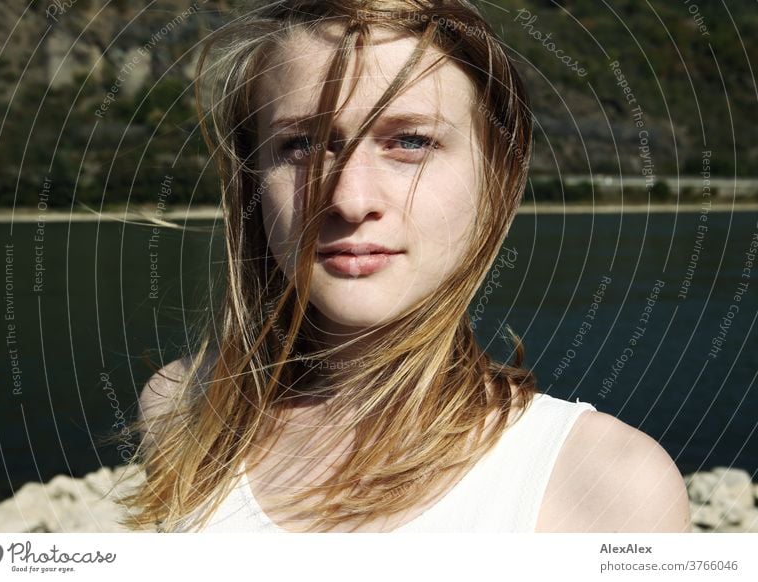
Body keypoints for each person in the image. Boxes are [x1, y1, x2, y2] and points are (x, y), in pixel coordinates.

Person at [119, 0, 691, 533]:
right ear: (252, 182)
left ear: (496, 178)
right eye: (302, 145)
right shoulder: (182, 407)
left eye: (410, 141)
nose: (348, 198)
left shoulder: (608, 487)